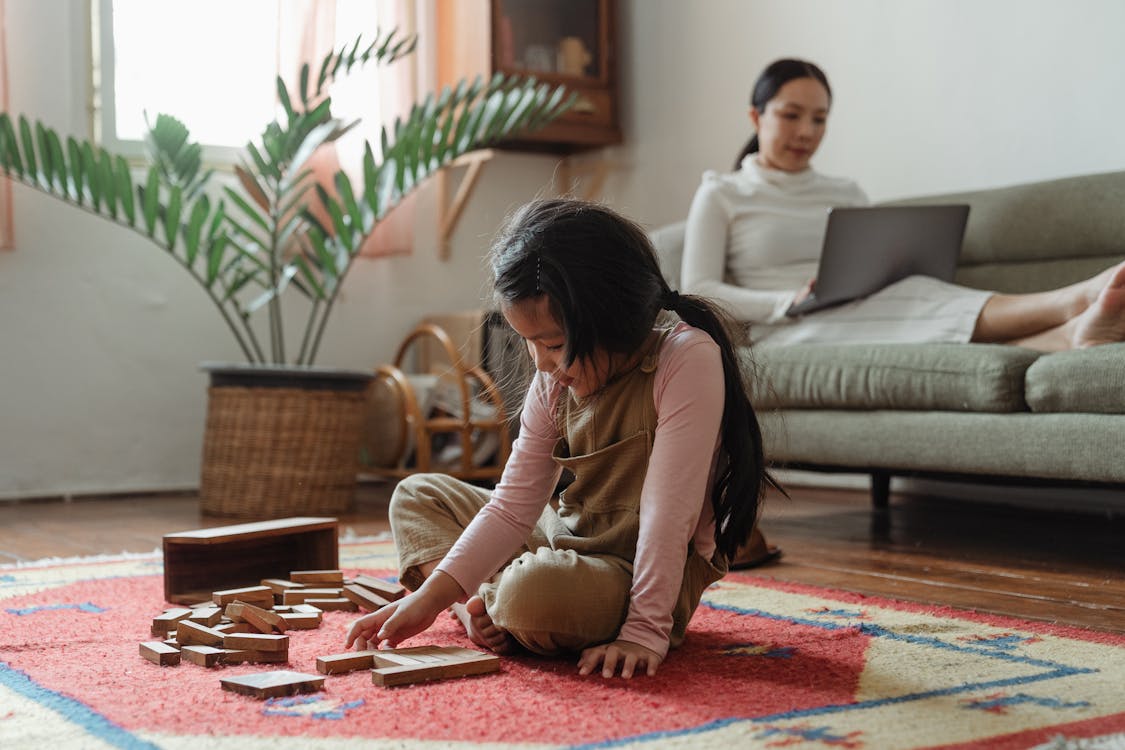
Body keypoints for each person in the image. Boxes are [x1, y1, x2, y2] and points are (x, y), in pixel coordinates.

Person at [345, 199, 777, 678]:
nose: (540, 363)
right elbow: (512, 506)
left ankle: (499, 601)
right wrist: (428, 602)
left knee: (535, 594)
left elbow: (667, 514)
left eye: (552, 344)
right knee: (416, 496)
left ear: (611, 320)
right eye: (529, 343)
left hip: (635, 576)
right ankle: (479, 609)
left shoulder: (686, 357)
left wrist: (644, 631)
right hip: (564, 540)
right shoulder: (552, 379)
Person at [681, 58, 1125, 350]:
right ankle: (1071, 300)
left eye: (820, 119)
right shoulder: (722, 193)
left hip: (861, 307)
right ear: (756, 117)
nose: (806, 132)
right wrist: (785, 301)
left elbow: (874, 266)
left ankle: (1069, 335)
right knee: (912, 300)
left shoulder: (846, 192)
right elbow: (699, 290)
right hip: (784, 328)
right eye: (791, 115)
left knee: (912, 293)